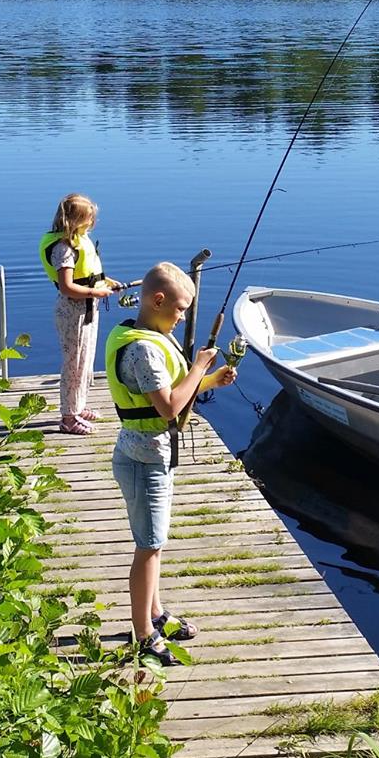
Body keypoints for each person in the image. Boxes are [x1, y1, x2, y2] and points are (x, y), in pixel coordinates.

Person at [105, 261, 236, 666]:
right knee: (148, 547)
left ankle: (156, 612)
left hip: (150, 455)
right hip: (144, 460)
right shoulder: (143, 348)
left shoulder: (143, 334)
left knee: (155, 544)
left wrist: (210, 381)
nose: (181, 318)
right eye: (179, 310)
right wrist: (199, 366)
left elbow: (169, 395)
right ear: (157, 300)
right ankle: (142, 633)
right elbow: (167, 409)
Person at [40, 193, 121, 435]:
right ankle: (68, 418)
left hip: (86, 309)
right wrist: (95, 294)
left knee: (85, 362)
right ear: (75, 220)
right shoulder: (63, 248)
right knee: (73, 364)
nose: (93, 223)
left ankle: (78, 406)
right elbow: (67, 287)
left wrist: (108, 283)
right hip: (72, 312)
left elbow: (89, 276)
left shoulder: (79, 240)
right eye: (89, 218)